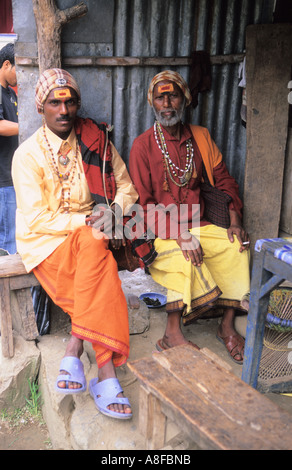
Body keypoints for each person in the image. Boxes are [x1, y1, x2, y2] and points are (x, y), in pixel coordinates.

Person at [12, 68, 139, 419]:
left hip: (90, 239)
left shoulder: (95, 142)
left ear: (77, 105)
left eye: (70, 103)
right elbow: (37, 220)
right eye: (55, 102)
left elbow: (128, 189)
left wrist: (112, 211)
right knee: (98, 253)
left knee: (95, 244)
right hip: (46, 243)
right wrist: (89, 221)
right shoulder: (27, 155)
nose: (63, 110)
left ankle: (76, 346)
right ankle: (105, 368)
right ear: (42, 108)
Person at [129, 70, 250, 364]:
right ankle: (172, 333)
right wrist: (181, 236)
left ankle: (226, 325)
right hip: (160, 230)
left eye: (173, 95)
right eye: (160, 97)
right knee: (185, 257)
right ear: (152, 103)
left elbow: (224, 181)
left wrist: (234, 221)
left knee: (237, 247)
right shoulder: (142, 146)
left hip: (201, 224)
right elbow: (143, 206)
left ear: (185, 100)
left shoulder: (201, 137)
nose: (167, 103)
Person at [0, 42, 18, 254]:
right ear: (6, 64)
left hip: (12, 176)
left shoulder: (10, 94)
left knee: (12, 235)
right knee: (7, 243)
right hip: (3, 179)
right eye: (18, 68)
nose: (20, 75)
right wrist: (31, 128)